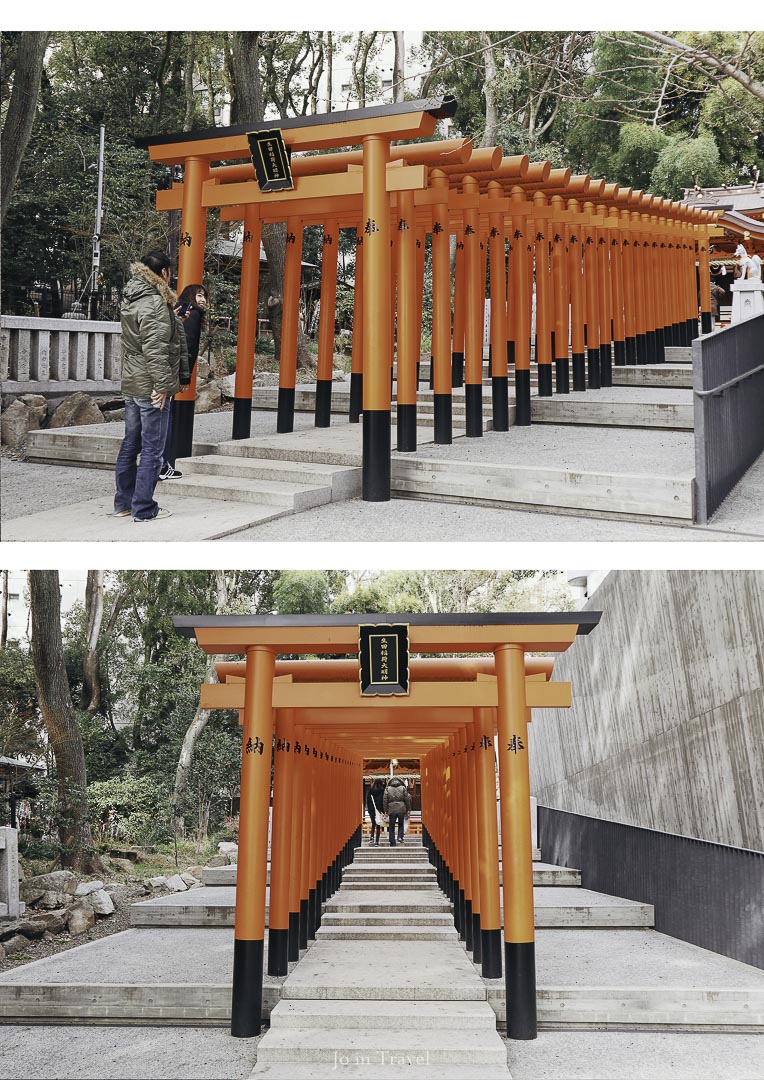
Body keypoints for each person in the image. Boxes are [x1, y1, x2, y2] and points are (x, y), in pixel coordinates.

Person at [112, 250, 188, 522]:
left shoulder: (132, 296)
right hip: (151, 385)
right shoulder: (155, 302)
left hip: (133, 382)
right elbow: (154, 349)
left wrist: (173, 319)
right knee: (152, 448)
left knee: (131, 443)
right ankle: (144, 508)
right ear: (164, 273)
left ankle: (123, 503)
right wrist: (164, 386)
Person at [160, 283, 207, 480]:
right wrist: (185, 377)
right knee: (165, 419)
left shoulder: (179, 313)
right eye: (199, 295)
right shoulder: (192, 315)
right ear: (189, 296)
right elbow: (186, 347)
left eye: (205, 296)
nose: (203, 299)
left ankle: (161, 464)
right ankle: (163, 465)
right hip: (169, 373)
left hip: (161, 372)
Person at [383, 774, 411, 847]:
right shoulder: (403, 788)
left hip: (391, 809)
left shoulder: (387, 788)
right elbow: (407, 799)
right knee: (400, 824)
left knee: (391, 826)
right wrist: (408, 809)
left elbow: (385, 800)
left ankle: (392, 842)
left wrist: (385, 811)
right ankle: (400, 837)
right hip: (401, 808)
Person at [366, 779, 384, 845]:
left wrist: (369, 810)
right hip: (379, 810)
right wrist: (383, 811)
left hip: (372, 810)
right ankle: (377, 841)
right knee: (378, 825)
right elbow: (382, 802)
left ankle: (372, 837)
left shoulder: (370, 792)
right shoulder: (382, 792)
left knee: (373, 823)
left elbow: (368, 802)